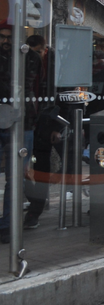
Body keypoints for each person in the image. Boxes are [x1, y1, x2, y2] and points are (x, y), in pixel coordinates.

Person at [0, 24, 40, 240]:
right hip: (15, 120)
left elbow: (39, 88)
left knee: (16, 178)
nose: (5, 41)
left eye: (9, 37)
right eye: (2, 37)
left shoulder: (31, 58)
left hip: (23, 122)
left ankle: (9, 224)